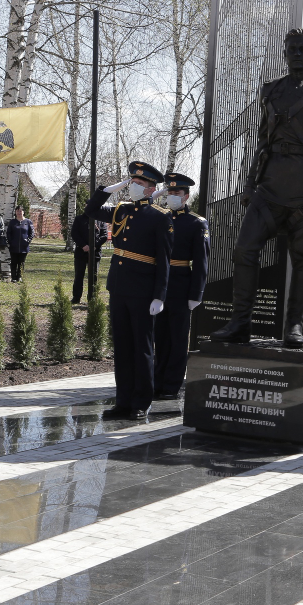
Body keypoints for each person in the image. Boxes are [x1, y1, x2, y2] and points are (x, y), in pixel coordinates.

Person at [210, 29, 303, 348]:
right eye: (291, 49)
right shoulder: (270, 90)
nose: (297, 53)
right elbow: (263, 142)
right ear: (284, 53)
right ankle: (239, 323)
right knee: (244, 250)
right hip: (269, 192)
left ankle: (295, 326)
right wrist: (249, 184)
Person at [86, 161, 173, 419]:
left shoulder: (160, 216)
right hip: (119, 287)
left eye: (138, 183)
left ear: (150, 189)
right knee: (122, 346)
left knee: (142, 347)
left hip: (144, 291)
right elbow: (91, 210)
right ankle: (122, 401)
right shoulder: (121, 210)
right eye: (132, 181)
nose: (133, 186)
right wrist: (108, 189)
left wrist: (160, 295)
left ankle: (140, 402)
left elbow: (164, 259)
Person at [152, 173, 209, 401]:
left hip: (180, 284)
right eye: (170, 192)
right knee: (160, 336)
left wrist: (196, 293)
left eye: (177, 193)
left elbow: (202, 261)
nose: (172, 196)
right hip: (158, 286)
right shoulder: (158, 218)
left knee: (177, 338)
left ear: (186, 196)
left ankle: (171, 385)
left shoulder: (196, 222)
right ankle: (157, 380)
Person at [70, 210, 109, 304]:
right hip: (81, 251)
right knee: (79, 276)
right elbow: (74, 234)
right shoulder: (79, 219)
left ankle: (92, 298)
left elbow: (104, 235)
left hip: (95, 252)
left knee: (94, 276)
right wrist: (83, 245)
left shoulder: (100, 220)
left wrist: (94, 245)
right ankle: (76, 297)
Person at [7, 205, 33, 282]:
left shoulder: (28, 222)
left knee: (21, 262)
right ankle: (13, 277)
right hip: (13, 246)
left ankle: (20, 276)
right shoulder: (12, 222)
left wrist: (28, 241)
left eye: (20, 211)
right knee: (14, 262)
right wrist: (10, 241)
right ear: (15, 212)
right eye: (17, 211)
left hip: (24, 247)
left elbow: (31, 233)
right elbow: (9, 233)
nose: (19, 213)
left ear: (23, 212)